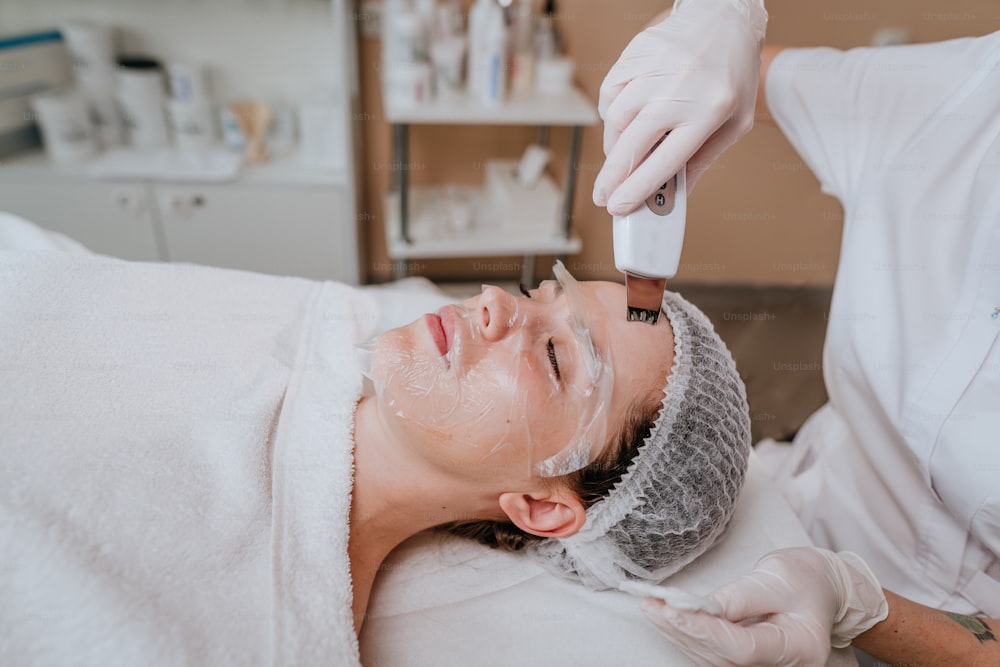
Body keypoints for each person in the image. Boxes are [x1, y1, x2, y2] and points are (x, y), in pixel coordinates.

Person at [0, 214, 751, 665]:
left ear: (543, 506)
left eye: (557, 355)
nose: (494, 304)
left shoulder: (261, 628)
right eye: (540, 296)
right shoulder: (314, 328)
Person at [599, 15, 1000, 666]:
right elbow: (714, 70)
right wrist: (713, 18)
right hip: (790, 494)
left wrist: (855, 602)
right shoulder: (968, 93)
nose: (495, 305)